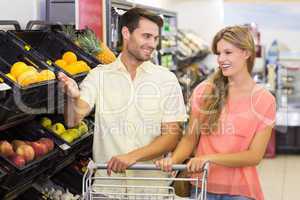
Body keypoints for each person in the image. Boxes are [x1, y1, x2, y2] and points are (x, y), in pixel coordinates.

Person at [58, 7, 187, 197]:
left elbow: (171, 137)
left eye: (155, 38)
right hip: (108, 190)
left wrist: (131, 157)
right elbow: (72, 120)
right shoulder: (99, 75)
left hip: (149, 190)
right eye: (146, 36)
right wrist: (72, 96)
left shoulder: (166, 79)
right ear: (126, 33)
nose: (152, 44)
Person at [155, 25, 276, 200]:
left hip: (240, 191)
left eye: (228, 53)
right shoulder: (204, 91)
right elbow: (190, 138)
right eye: (218, 54)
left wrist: (208, 158)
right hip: (202, 187)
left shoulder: (264, 100)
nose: (221, 59)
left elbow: (254, 156)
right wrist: (172, 161)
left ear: (246, 53)